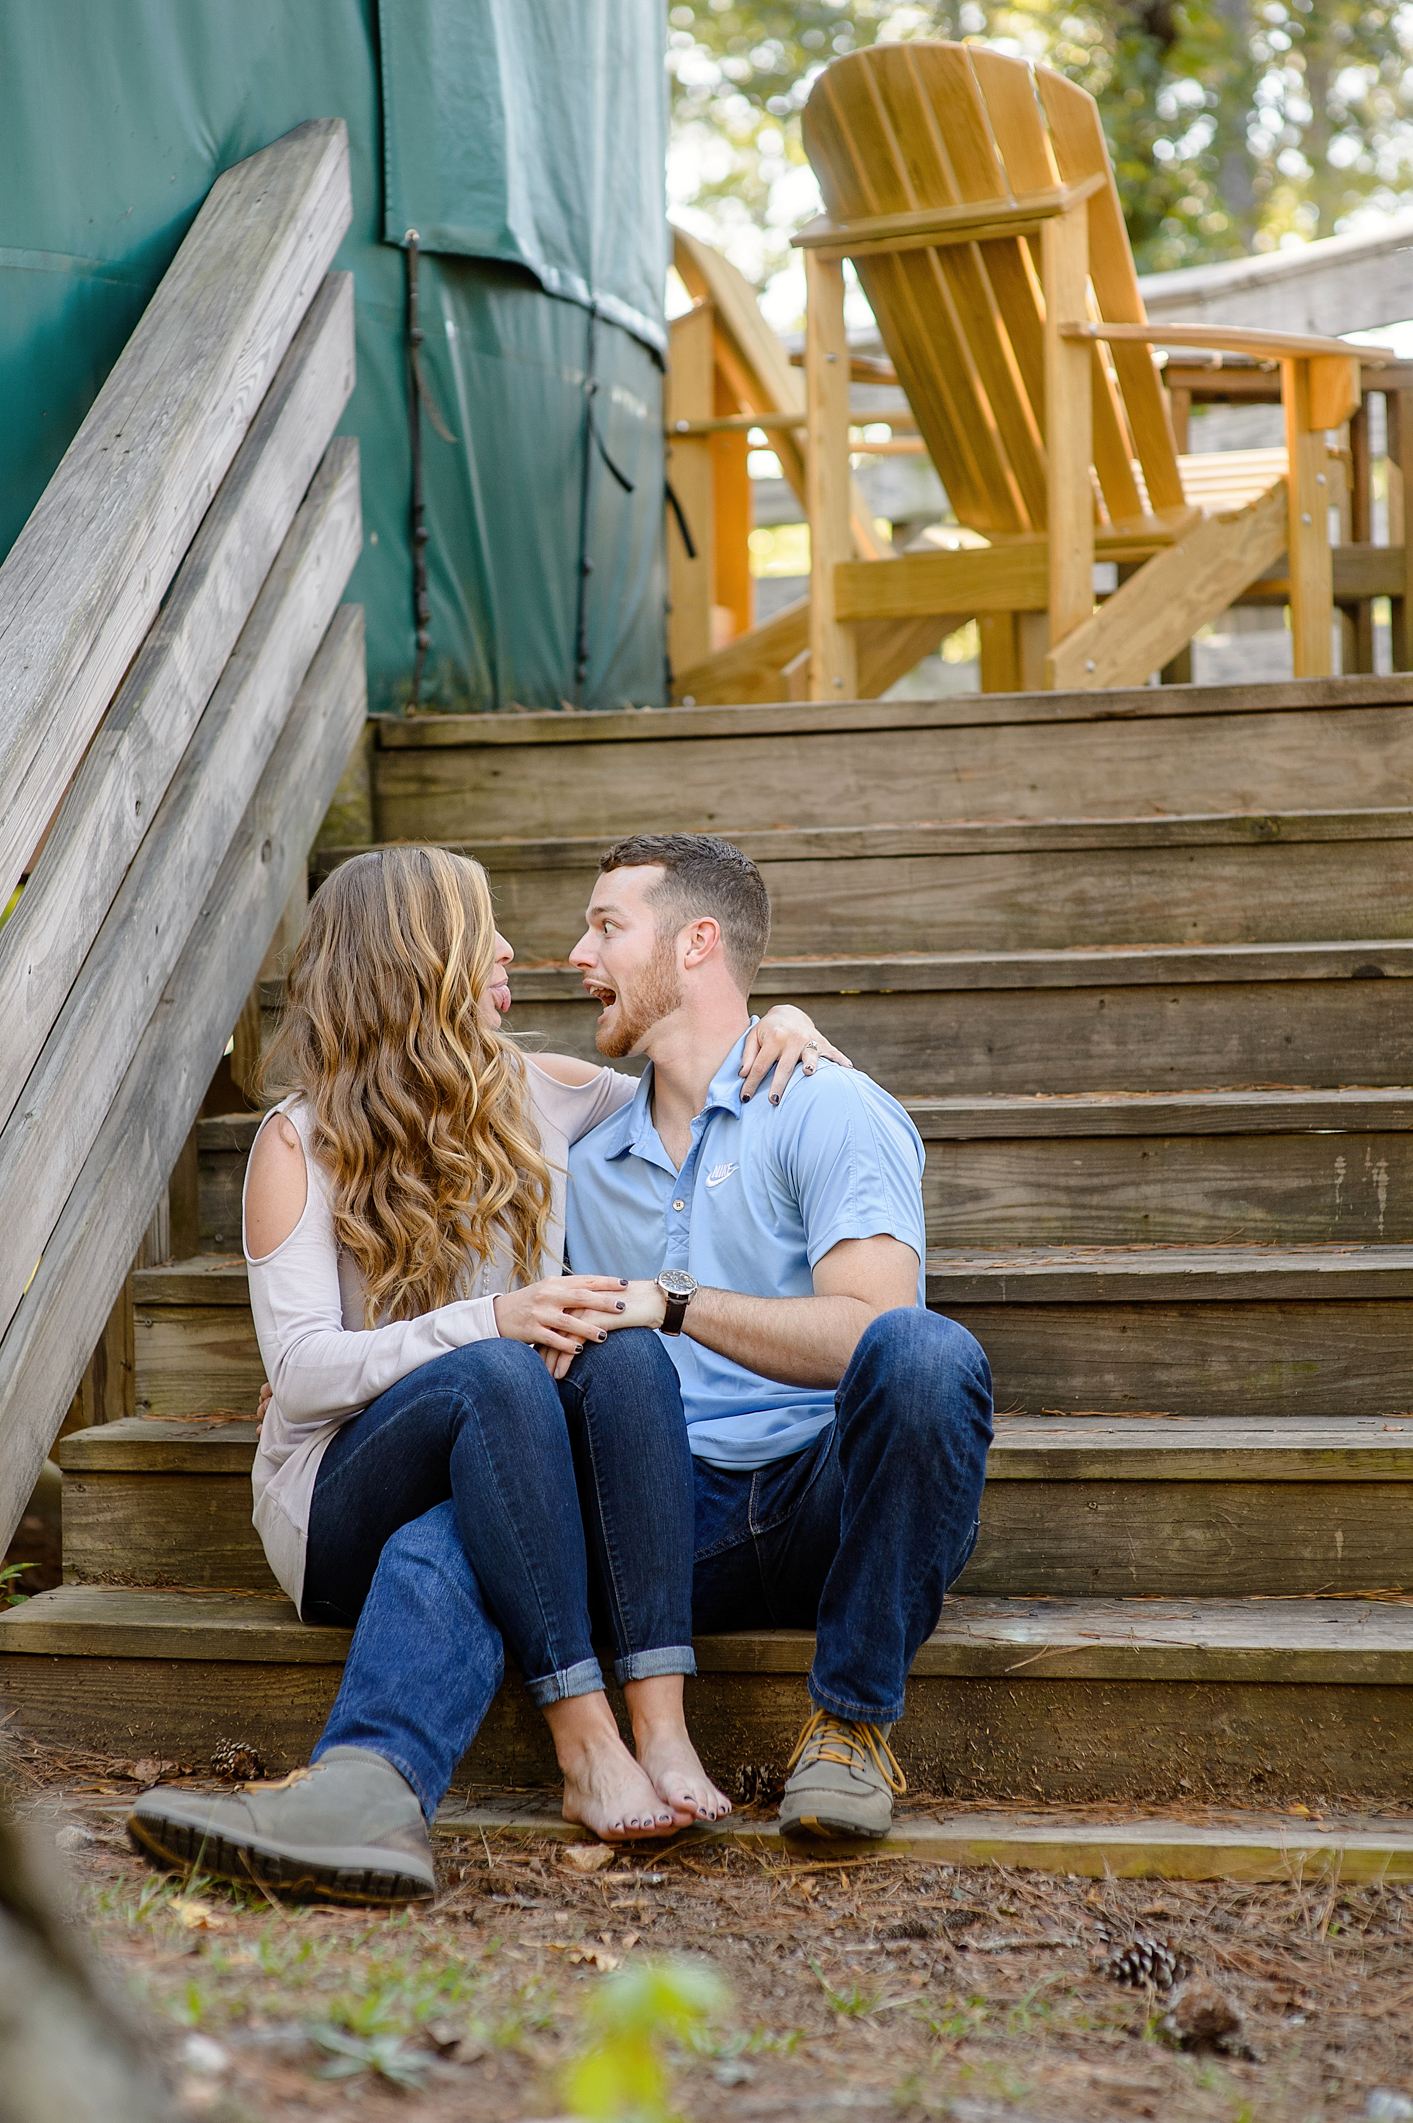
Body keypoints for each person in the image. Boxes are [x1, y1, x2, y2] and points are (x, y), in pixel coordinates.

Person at [127, 845, 847, 1901]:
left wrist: (777, 1020)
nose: (513, 947)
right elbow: (305, 1371)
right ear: (412, 956)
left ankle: (433, 1777)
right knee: (505, 1374)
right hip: (335, 1494)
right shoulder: (300, 1140)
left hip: (495, 1483)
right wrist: (489, 1318)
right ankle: (586, 1739)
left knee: (624, 1350)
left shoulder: (544, 1096)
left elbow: (699, 1062)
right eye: (481, 928)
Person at [562, 833, 994, 1839]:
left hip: (830, 1500)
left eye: (606, 925)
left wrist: (672, 1300)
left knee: (927, 1356)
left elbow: (871, 1334)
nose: (577, 954)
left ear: (696, 942)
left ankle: (849, 1725)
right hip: (661, 1518)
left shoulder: (826, 1106)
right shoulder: (579, 1148)